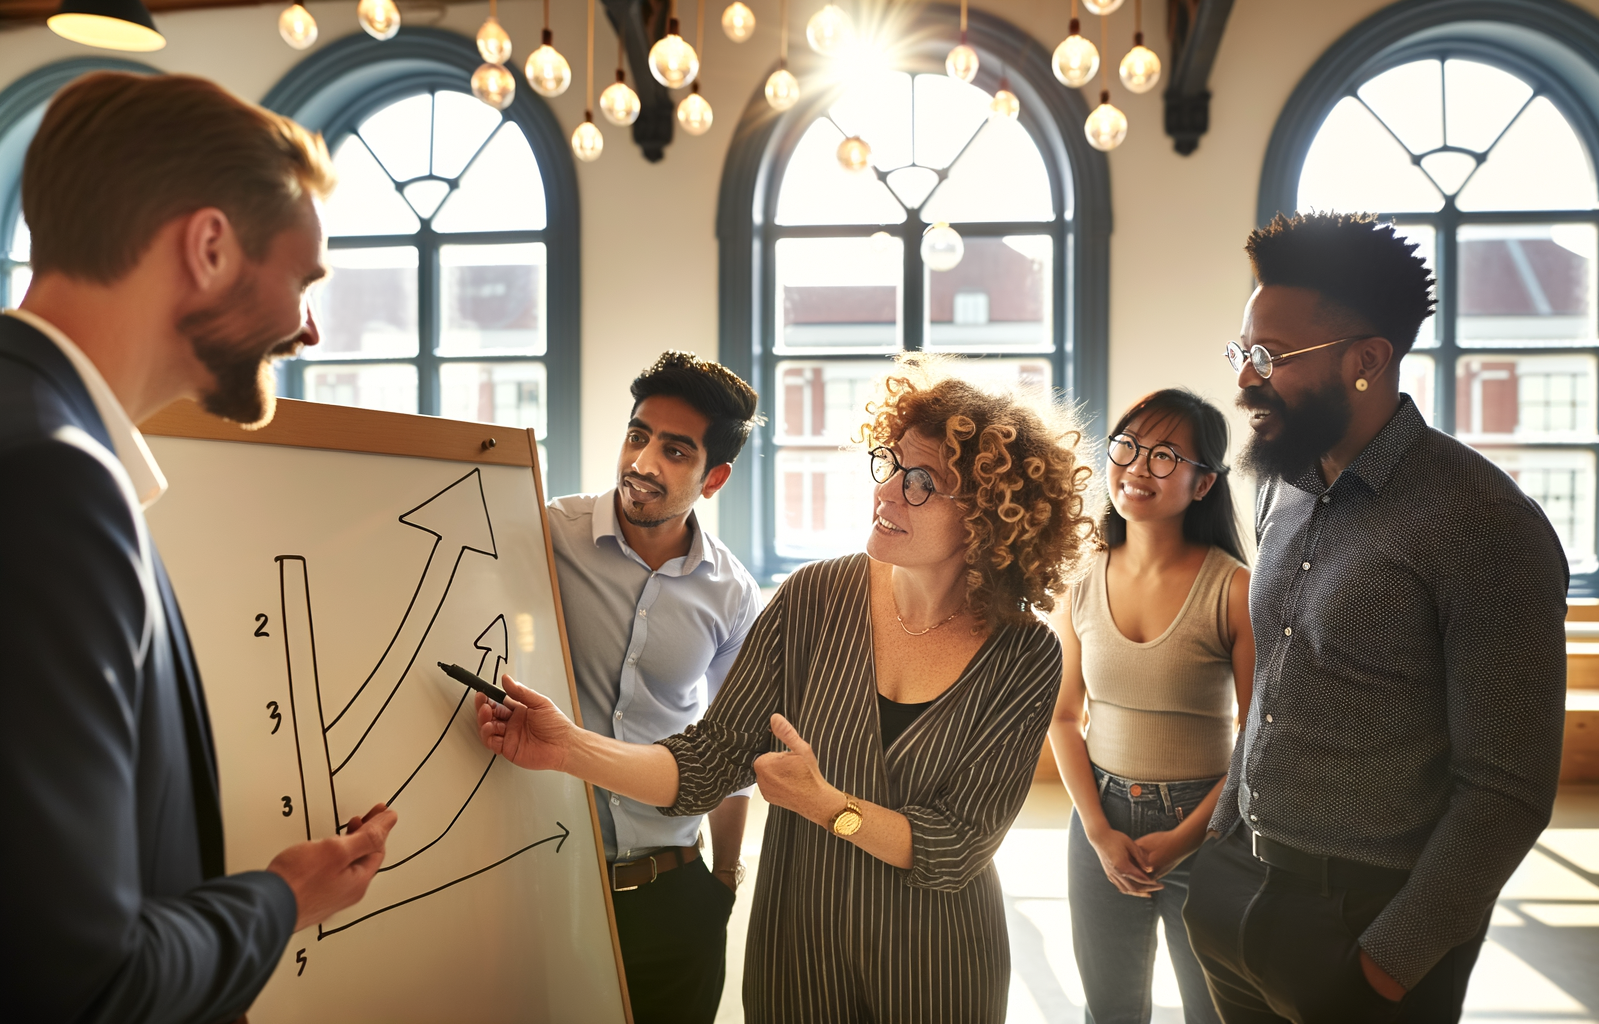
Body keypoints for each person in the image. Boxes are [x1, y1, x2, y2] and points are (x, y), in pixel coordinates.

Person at [479, 358, 1095, 1023]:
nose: (886, 493)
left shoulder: (1024, 654)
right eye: (888, 465)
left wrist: (827, 805)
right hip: (800, 948)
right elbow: (709, 760)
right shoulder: (814, 597)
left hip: (938, 958)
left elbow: (958, 847)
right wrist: (569, 748)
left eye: (921, 483)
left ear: (987, 511)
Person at [0, 73, 398, 1023]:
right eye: (303, 282)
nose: (309, 326)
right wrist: (282, 898)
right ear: (210, 247)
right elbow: (84, 983)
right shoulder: (53, 482)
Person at [1182, 212, 1568, 1024]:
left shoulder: (1486, 525)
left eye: (1270, 358)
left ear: (1366, 361)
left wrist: (1388, 969)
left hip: (1366, 934)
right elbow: (1276, 693)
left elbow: (1507, 790)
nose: (1247, 380)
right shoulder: (1280, 487)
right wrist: (1219, 847)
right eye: (1243, 352)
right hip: (1238, 891)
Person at [546, 351, 763, 1022]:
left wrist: (722, 885)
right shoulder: (548, 535)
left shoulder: (731, 593)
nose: (642, 462)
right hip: (547, 886)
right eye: (638, 435)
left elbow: (734, 759)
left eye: (674, 450)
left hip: (672, 891)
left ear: (715, 476)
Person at [1049, 388, 1253, 1024]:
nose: (1138, 467)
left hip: (1211, 824)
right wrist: (1100, 832)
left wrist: (1185, 840)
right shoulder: (1080, 575)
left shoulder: (1235, 588)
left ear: (1202, 485)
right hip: (1099, 820)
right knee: (1109, 1010)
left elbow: (1258, 738)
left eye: (1166, 456)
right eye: (1128, 446)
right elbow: (1061, 717)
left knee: (1212, 1009)